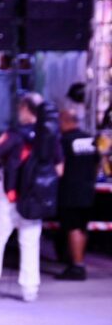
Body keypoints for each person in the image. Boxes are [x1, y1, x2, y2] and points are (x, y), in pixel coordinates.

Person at [0, 93, 62, 302]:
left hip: (9, 195)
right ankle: (29, 289)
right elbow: (59, 170)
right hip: (35, 198)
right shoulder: (51, 137)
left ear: (24, 108)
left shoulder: (15, 135)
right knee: (30, 242)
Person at [55, 108, 100, 280]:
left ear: (66, 120)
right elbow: (97, 163)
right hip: (87, 190)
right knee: (82, 227)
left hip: (70, 190)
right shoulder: (89, 139)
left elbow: (60, 167)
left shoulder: (64, 141)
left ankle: (77, 266)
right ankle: (78, 260)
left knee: (72, 227)